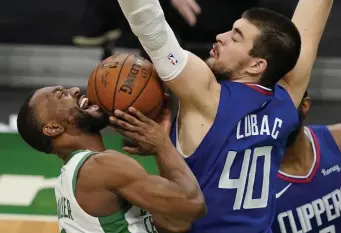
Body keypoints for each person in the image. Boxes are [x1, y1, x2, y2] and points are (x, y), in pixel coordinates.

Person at [114, 0, 333, 232]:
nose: (221, 36)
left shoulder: (208, 97)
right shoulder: (288, 99)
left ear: (257, 65)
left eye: (235, 37)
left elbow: (149, 24)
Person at [16, 86, 206, 233]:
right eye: (61, 95)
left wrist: (160, 150)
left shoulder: (69, 180)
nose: (74, 90)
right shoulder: (101, 167)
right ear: (53, 128)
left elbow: (173, 221)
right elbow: (193, 205)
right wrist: (163, 145)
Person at [272, 92, 341, 233]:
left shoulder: (336, 141)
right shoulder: (251, 186)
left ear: (304, 105)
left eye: (280, 106)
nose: (275, 120)